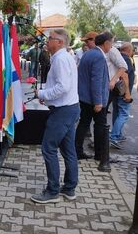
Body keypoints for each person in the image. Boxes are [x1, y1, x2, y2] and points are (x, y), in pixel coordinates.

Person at [30, 29, 80, 204]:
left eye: (50, 38)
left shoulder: (60, 58)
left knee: (48, 148)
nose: (47, 40)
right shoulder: (63, 57)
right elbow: (62, 87)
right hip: (68, 108)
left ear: (60, 42)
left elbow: (62, 87)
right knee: (68, 151)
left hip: (63, 112)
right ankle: (69, 188)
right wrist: (48, 97)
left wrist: (42, 93)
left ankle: (52, 192)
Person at [74, 32, 113, 163]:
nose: (111, 46)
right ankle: (100, 154)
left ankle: (77, 150)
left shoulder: (89, 53)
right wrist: (98, 102)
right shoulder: (98, 57)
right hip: (94, 99)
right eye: (111, 43)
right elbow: (96, 81)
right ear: (106, 43)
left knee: (84, 123)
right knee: (100, 126)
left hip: (85, 97)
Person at [109, 42, 135, 148]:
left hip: (116, 90)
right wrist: (127, 93)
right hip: (122, 90)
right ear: (129, 50)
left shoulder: (118, 57)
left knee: (117, 112)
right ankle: (114, 136)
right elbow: (124, 76)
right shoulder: (126, 59)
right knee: (124, 113)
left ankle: (117, 134)